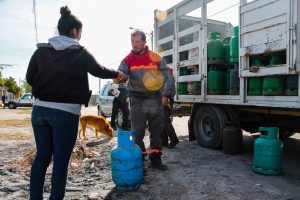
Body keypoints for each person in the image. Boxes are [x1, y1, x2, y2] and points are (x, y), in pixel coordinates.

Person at [26, 6, 125, 200]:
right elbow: (99, 70)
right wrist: (117, 74)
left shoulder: (40, 52)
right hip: (65, 113)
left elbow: (30, 78)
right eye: (81, 32)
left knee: (42, 158)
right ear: (74, 32)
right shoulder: (79, 52)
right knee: (61, 162)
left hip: (39, 112)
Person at [117, 29, 173, 170]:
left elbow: (167, 75)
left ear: (144, 42)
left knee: (156, 130)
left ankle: (156, 158)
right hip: (136, 98)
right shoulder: (127, 59)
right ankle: (140, 158)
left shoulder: (156, 57)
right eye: (132, 42)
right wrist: (119, 77)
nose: (134, 45)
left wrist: (163, 90)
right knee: (138, 131)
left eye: (137, 42)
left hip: (154, 98)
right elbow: (119, 75)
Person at [160, 67, 179, 148]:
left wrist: (165, 96)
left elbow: (169, 81)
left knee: (165, 120)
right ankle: (163, 141)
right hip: (160, 98)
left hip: (166, 98)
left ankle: (174, 140)